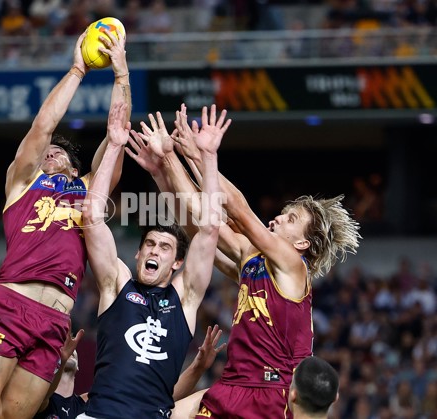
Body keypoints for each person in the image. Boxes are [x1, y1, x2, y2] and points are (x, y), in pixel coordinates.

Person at [130, 103, 360, 418]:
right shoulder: (251, 259)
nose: (279, 218)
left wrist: (200, 156)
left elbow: (239, 210)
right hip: (232, 384)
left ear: (302, 243)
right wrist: (165, 165)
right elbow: (201, 224)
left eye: (290, 219)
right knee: (156, 413)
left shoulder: (294, 266)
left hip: (271, 392)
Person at [0, 26, 132, 419]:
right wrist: (77, 71)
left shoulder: (89, 192)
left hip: (56, 319)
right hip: (11, 304)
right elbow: (42, 126)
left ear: (74, 168)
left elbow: (116, 135)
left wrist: (121, 74)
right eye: (45, 153)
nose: (47, 155)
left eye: (56, 154)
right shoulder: (24, 182)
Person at [78, 102, 225, 418]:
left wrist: (209, 157)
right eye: (150, 244)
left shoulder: (184, 298)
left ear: (176, 263)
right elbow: (90, 216)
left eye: (164, 247)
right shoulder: (116, 284)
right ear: (138, 253)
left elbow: (210, 228)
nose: (155, 251)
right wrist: (114, 146)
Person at [34, 324, 227, 419]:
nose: (69, 350)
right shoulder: (39, 401)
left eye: (71, 347)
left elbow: (161, 400)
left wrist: (198, 367)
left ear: (80, 367)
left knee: (207, 397)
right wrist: (60, 361)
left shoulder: (93, 402)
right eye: (62, 348)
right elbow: (45, 395)